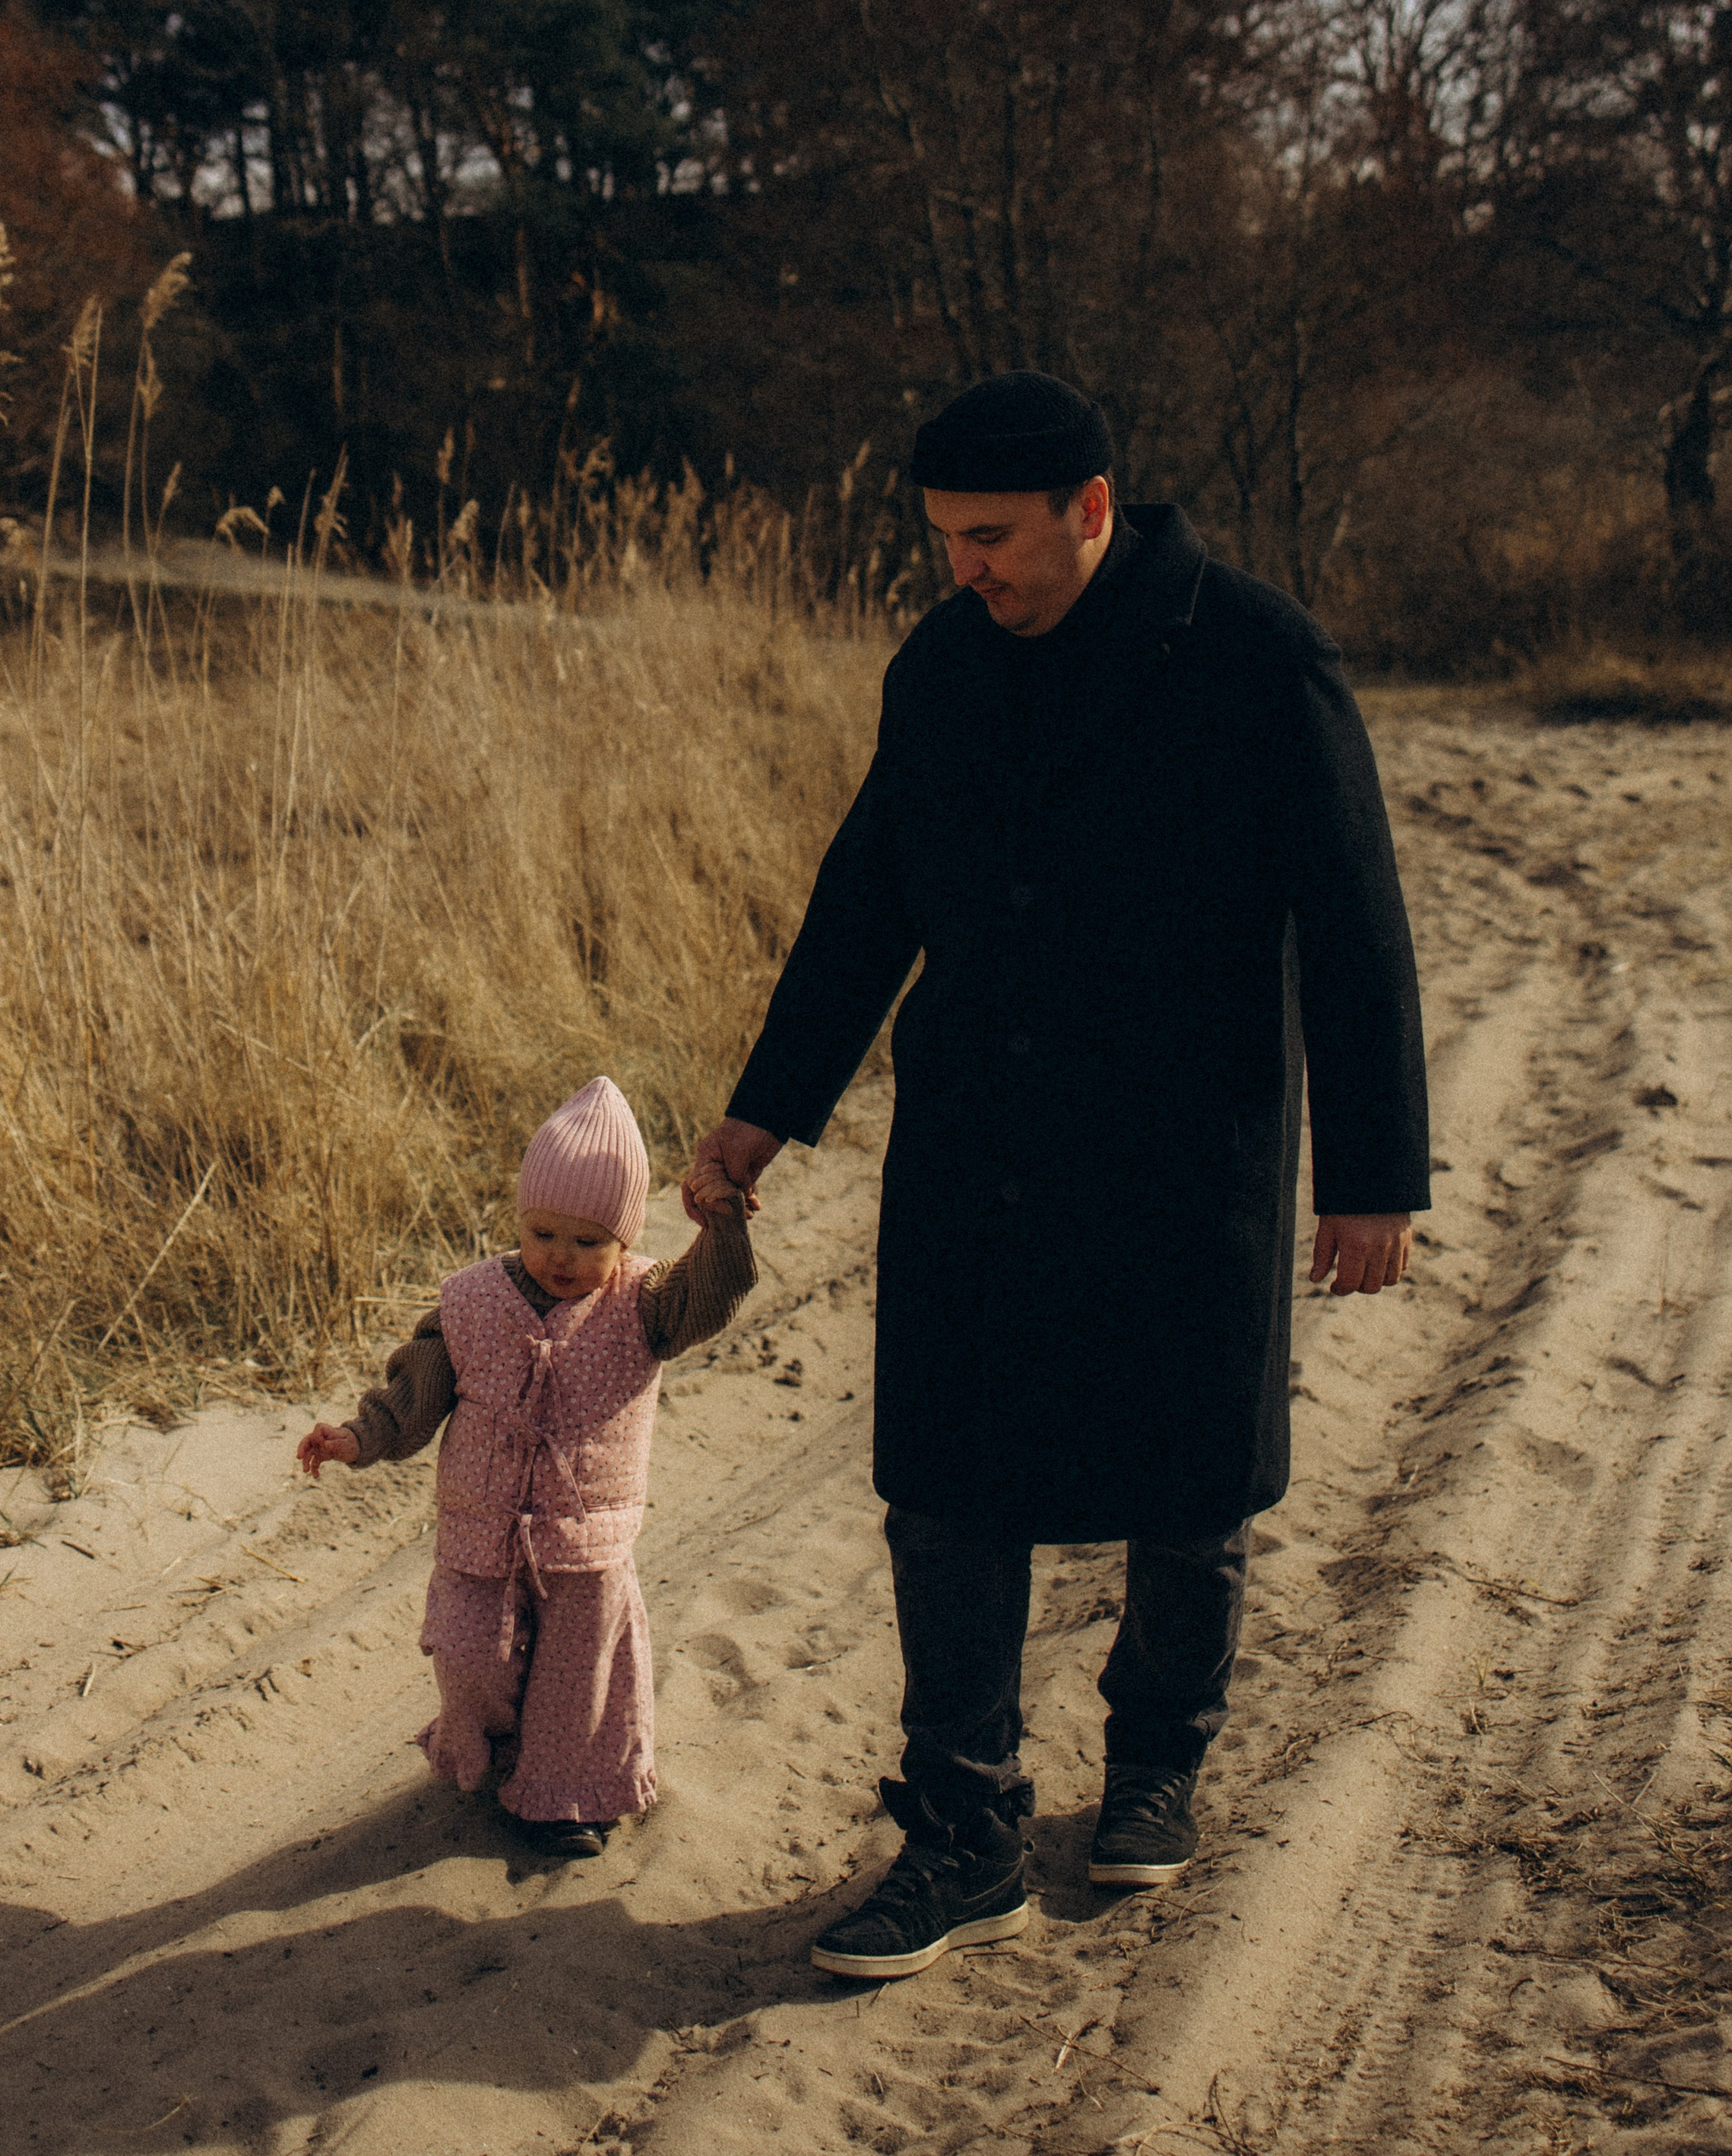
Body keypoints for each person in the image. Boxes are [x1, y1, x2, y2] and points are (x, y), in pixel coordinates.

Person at [684, 372, 1428, 1980]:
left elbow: (1355, 927)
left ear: (1090, 509)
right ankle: (961, 1833)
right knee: (944, 1487)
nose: (967, 570)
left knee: (1188, 1480)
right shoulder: (940, 665)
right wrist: (765, 1108)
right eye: (945, 541)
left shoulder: (1250, 650)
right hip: (979, 1142)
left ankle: (1157, 1762)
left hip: (1187, 1138)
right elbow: (862, 901)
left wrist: (1371, 1176)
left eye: (994, 538)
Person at [300, 1075, 755, 1857]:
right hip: (480, 1531)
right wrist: (357, 1438)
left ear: (623, 1239)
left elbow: (714, 1294)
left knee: (575, 1681)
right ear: (520, 1218)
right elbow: (415, 1393)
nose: (563, 1258)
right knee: (469, 1659)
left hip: (586, 1540)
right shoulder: (469, 1301)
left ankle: (565, 1798)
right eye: (544, 1234)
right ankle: (494, 1750)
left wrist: (720, 1228)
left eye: (589, 1242)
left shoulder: (646, 1302)